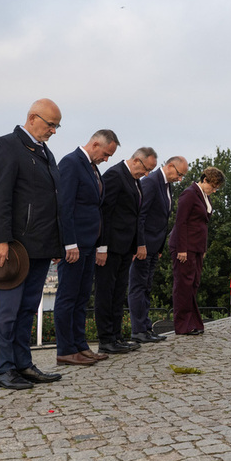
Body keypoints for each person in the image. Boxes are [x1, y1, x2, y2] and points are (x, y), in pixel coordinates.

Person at [0, 98, 64, 390]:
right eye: (50, 125)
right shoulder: (7, 145)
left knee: (28, 309)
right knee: (8, 311)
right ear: (32, 118)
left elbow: (53, 201)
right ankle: (3, 370)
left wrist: (57, 244)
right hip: (16, 247)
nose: (54, 131)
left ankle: (22, 365)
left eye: (57, 126)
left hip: (41, 247)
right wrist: (0, 240)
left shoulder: (45, 152)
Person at [53, 129, 120, 366]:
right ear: (94, 144)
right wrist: (69, 242)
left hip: (89, 243)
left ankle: (80, 345)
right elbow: (65, 205)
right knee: (68, 297)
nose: (107, 159)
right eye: (106, 153)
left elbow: (95, 206)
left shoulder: (92, 167)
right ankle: (65, 349)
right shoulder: (72, 163)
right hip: (75, 245)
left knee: (81, 298)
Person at [94, 147, 158, 354]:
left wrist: (135, 244)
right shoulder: (115, 175)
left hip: (124, 248)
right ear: (137, 161)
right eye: (146, 169)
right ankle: (105, 339)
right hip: (110, 247)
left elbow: (135, 214)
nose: (147, 174)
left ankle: (117, 336)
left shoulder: (134, 180)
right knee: (106, 293)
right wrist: (102, 246)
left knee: (119, 293)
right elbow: (105, 212)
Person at [128, 156, 188, 343]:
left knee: (146, 286)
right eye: (179, 174)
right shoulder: (151, 182)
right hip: (144, 246)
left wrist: (160, 246)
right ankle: (138, 330)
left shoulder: (166, 185)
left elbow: (162, 219)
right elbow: (141, 215)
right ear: (170, 166)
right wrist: (140, 244)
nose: (179, 179)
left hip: (155, 246)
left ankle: (146, 327)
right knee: (138, 286)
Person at [169, 166, 225, 335]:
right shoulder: (189, 194)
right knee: (183, 286)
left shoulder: (203, 196)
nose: (214, 191)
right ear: (205, 180)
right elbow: (181, 222)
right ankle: (182, 325)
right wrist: (182, 249)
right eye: (213, 187)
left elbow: (202, 224)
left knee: (193, 284)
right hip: (184, 248)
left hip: (196, 247)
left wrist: (203, 248)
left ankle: (193, 322)